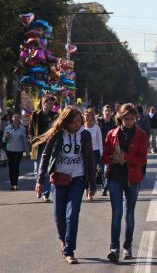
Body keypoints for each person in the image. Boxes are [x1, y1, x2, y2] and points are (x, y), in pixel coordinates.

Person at [34, 106, 96, 264]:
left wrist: (92, 185)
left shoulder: (85, 135)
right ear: (66, 121)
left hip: (78, 179)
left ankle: (69, 251)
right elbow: (46, 156)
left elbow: (89, 160)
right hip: (59, 179)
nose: (78, 124)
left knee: (72, 215)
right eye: (74, 121)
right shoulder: (57, 134)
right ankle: (63, 239)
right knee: (58, 216)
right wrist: (40, 180)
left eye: (79, 120)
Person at [103, 103, 147, 262]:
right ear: (120, 118)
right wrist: (114, 159)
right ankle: (114, 247)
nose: (129, 121)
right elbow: (104, 157)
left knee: (129, 214)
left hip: (132, 178)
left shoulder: (141, 135)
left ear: (136, 118)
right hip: (115, 177)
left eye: (132, 119)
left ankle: (127, 247)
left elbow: (142, 159)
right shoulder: (111, 133)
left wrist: (126, 158)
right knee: (117, 213)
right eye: (126, 119)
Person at [29, 95, 58, 202]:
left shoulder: (55, 116)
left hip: (50, 146)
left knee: (46, 170)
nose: (51, 105)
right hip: (38, 146)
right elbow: (31, 130)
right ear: (44, 103)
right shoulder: (35, 115)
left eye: (52, 104)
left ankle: (45, 193)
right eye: (49, 103)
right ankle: (39, 187)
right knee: (37, 171)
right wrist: (33, 140)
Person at [2, 114, 28, 190]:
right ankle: (12, 184)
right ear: (12, 119)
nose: (16, 118)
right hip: (9, 150)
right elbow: (3, 140)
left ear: (19, 119)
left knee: (16, 167)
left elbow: (24, 140)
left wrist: (26, 151)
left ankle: (15, 184)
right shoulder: (7, 128)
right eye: (14, 117)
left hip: (19, 151)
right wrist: (6, 137)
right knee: (11, 167)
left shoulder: (22, 128)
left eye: (17, 117)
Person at [83, 108, 103, 196]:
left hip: (94, 152)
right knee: (85, 171)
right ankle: (86, 188)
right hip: (84, 153)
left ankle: (92, 189)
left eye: (88, 116)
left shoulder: (96, 128)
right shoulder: (81, 128)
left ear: (92, 117)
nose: (86, 117)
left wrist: (101, 154)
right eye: (85, 115)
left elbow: (100, 142)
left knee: (93, 172)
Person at [98, 105, 117, 196]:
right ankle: (103, 185)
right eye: (106, 111)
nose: (107, 112)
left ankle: (105, 188)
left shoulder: (114, 124)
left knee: (106, 169)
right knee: (101, 169)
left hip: (108, 150)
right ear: (103, 112)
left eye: (109, 111)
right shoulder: (98, 122)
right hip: (98, 148)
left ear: (111, 112)